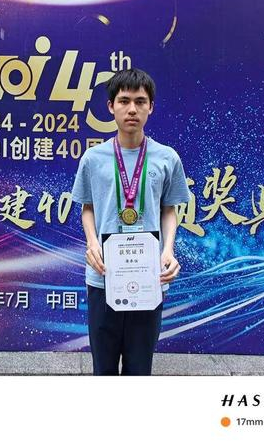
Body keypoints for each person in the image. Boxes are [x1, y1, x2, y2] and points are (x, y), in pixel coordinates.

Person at [71, 68, 191, 376]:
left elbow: (169, 209)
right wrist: (92, 244)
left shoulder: (167, 157)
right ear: (111, 106)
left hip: (149, 276)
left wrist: (168, 250)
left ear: (151, 107)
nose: (132, 109)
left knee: (139, 369)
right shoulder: (93, 159)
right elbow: (87, 207)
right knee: (104, 369)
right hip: (103, 275)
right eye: (124, 101)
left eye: (140, 101)